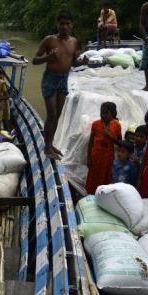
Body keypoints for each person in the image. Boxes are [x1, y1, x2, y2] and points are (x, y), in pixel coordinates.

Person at [32, 10, 77, 160]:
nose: (64, 26)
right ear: (57, 24)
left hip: (64, 79)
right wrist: (48, 57)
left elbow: (74, 61)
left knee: (57, 115)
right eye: (61, 23)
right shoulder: (49, 40)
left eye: (67, 24)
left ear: (71, 25)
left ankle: (50, 144)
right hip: (50, 79)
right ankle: (46, 147)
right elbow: (35, 60)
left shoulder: (74, 41)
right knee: (51, 114)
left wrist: (83, 62)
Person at [85, 102, 122, 194]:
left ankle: (102, 195)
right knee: (94, 176)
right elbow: (90, 142)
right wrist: (89, 158)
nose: (103, 115)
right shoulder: (95, 124)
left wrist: (111, 137)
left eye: (106, 113)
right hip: (96, 155)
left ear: (113, 114)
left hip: (108, 157)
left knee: (106, 176)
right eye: (102, 112)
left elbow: (120, 142)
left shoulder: (117, 125)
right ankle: (91, 194)